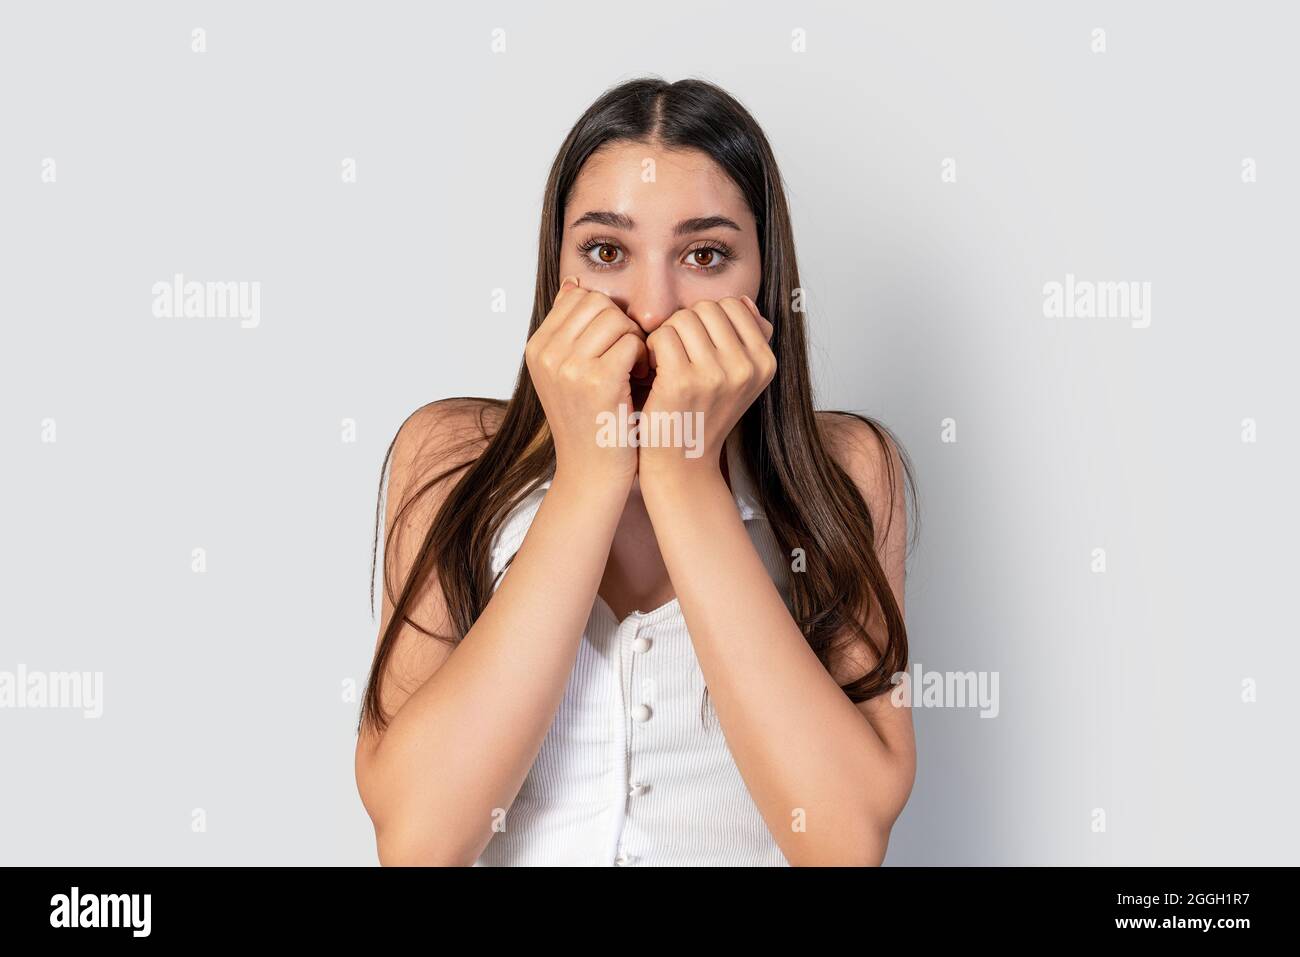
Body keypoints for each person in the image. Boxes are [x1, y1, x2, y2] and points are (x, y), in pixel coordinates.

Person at [354, 76, 918, 866]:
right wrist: (589, 478)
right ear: (557, 273)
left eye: (706, 254)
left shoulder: (847, 473)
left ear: (765, 278)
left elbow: (842, 842)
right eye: (607, 251)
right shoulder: (448, 460)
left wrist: (684, 479)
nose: (652, 307)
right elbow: (419, 842)